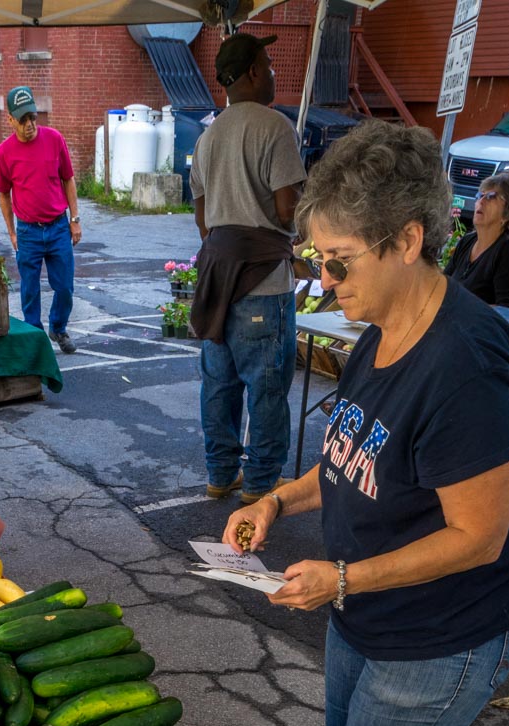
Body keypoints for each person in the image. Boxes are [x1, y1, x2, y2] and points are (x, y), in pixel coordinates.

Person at [222, 121, 509, 726]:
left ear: (406, 240)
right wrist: (276, 499)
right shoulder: (380, 330)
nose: (324, 280)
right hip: (366, 611)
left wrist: (341, 580)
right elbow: (348, 454)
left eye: (339, 262)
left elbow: (479, 537)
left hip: (443, 631)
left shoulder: (464, 367)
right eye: (316, 258)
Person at [189, 31, 306, 502]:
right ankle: (260, 482)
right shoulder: (275, 126)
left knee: (219, 382)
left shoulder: (208, 135)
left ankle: (221, 473)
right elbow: (284, 211)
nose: (274, 74)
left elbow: (201, 218)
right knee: (267, 384)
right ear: (254, 72)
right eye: (271, 64)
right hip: (262, 278)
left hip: (217, 274)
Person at [0, 85, 82, 355]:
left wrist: (74, 219)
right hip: (28, 232)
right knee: (29, 291)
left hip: (57, 227)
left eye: (33, 117)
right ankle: (35, 337)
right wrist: (12, 232)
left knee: (65, 286)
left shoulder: (55, 139)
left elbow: (68, 179)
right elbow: (4, 195)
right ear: (10, 120)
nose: (30, 124)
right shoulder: (5, 152)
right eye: (23, 119)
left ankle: (58, 326)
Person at [445, 172, 509, 308]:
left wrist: (463, 310)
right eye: (480, 196)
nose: (481, 201)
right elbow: (443, 286)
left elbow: (508, 309)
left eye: (491, 197)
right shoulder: (467, 241)